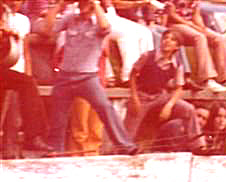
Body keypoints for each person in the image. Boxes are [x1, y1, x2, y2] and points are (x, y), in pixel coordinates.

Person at [38, 0, 137, 155]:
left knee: (105, 108)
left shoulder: (100, 21)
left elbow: (104, 27)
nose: (82, 5)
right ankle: (54, 149)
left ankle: (125, 145)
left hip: (88, 77)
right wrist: (60, 4)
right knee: (58, 115)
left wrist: (95, 4)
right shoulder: (70, 18)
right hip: (65, 75)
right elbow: (46, 30)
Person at [124, 29, 204, 152]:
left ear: (176, 46)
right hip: (143, 95)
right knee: (130, 130)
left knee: (189, 110)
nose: (167, 41)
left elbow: (179, 87)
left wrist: (169, 106)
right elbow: (133, 76)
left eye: (172, 40)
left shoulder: (177, 63)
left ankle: (198, 145)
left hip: (160, 96)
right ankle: (122, 150)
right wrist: (134, 98)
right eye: (165, 38)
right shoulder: (148, 56)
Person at [0, 0, 50, 156]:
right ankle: (32, 137)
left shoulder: (19, 19)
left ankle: (33, 136)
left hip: (6, 68)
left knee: (27, 84)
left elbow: (24, 50)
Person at [165, 0, 226, 93]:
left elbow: (196, 16)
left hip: (191, 26)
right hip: (176, 25)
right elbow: (171, 14)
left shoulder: (194, 2)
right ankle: (207, 78)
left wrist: (202, 28)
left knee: (220, 38)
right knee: (199, 37)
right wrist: (190, 25)